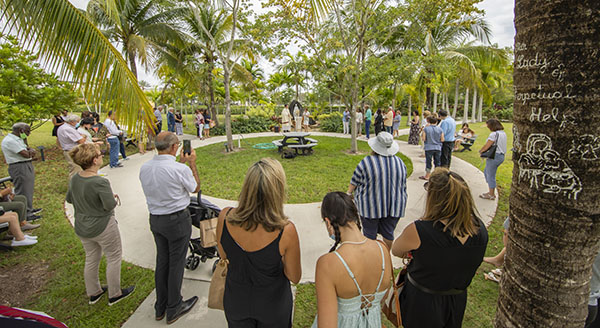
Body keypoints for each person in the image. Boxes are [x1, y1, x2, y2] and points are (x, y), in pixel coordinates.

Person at [391, 168, 488, 328]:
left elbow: (396, 250)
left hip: (422, 302)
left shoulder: (420, 230)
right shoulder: (479, 229)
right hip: (456, 300)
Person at [216, 158, 301, 327]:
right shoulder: (285, 230)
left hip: (236, 301)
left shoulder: (224, 217)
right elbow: (294, 276)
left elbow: (224, 255)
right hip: (273, 305)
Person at [139, 132, 200, 324]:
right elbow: (195, 187)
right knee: (176, 263)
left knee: (163, 261)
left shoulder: (145, 167)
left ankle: (161, 306)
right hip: (176, 221)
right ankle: (174, 306)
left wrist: (181, 164)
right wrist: (191, 163)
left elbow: (167, 178)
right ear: (174, 147)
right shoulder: (179, 169)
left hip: (156, 219)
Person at [66, 143, 135, 305]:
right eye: (100, 154)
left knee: (91, 258)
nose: (102, 156)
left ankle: (94, 292)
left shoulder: (75, 178)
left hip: (82, 225)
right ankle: (115, 294)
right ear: (94, 160)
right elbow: (109, 205)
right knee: (114, 257)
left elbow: (70, 198)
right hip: (103, 226)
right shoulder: (99, 182)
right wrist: (110, 195)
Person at [312, 192, 392, 328]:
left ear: (328, 222)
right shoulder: (383, 249)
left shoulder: (327, 264)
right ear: (355, 216)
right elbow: (382, 298)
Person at [348, 132, 407, 250]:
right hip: (394, 205)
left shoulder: (367, 162)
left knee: (370, 234)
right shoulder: (400, 162)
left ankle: (372, 259)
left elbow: (355, 180)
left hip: (370, 206)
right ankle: (386, 255)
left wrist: (349, 193)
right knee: (389, 232)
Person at [1, 123, 42, 218]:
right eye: (27, 131)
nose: (29, 133)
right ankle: (25, 214)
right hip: (19, 167)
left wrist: (25, 140)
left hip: (25, 164)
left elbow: (28, 148)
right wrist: (30, 152)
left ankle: (29, 208)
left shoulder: (18, 139)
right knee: (23, 190)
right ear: (21, 130)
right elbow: (26, 154)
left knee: (28, 189)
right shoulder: (10, 141)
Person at [479, 118, 507, 200]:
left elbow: (487, 145)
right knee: (487, 172)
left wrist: (481, 151)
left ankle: (491, 194)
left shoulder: (494, 134)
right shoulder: (503, 133)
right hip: (501, 156)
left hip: (495, 156)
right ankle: (491, 190)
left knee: (490, 175)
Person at [420, 116, 444, 180]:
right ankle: (437, 175)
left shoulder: (426, 129)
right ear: (436, 122)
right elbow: (442, 139)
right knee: (437, 161)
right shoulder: (440, 129)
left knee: (428, 161)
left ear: (429, 121)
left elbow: (424, 138)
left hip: (429, 147)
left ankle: (427, 175)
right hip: (438, 147)